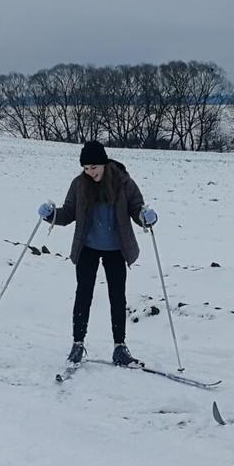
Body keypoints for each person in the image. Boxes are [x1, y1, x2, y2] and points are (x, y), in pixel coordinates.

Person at [39, 141, 157, 367]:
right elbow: (68, 214)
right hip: (87, 248)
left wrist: (147, 217)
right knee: (83, 295)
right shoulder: (79, 185)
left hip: (116, 249)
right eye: (86, 168)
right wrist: (51, 215)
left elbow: (137, 209)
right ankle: (77, 345)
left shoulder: (124, 183)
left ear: (104, 163)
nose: (90, 172)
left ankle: (120, 347)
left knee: (117, 297)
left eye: (94, 167)